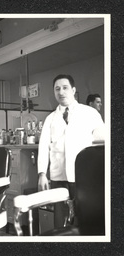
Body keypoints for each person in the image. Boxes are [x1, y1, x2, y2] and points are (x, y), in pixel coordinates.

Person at [37, 74, 105, 228]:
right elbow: (43, 147)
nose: (61, 92)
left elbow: (103, 142)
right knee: (60, 221)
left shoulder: (90, 113)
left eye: (65, 88)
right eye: (57, 89)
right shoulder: (50, 119)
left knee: (85, 220)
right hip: (58, 176)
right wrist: (42, 173)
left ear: (73, 90)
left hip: (84, 176)